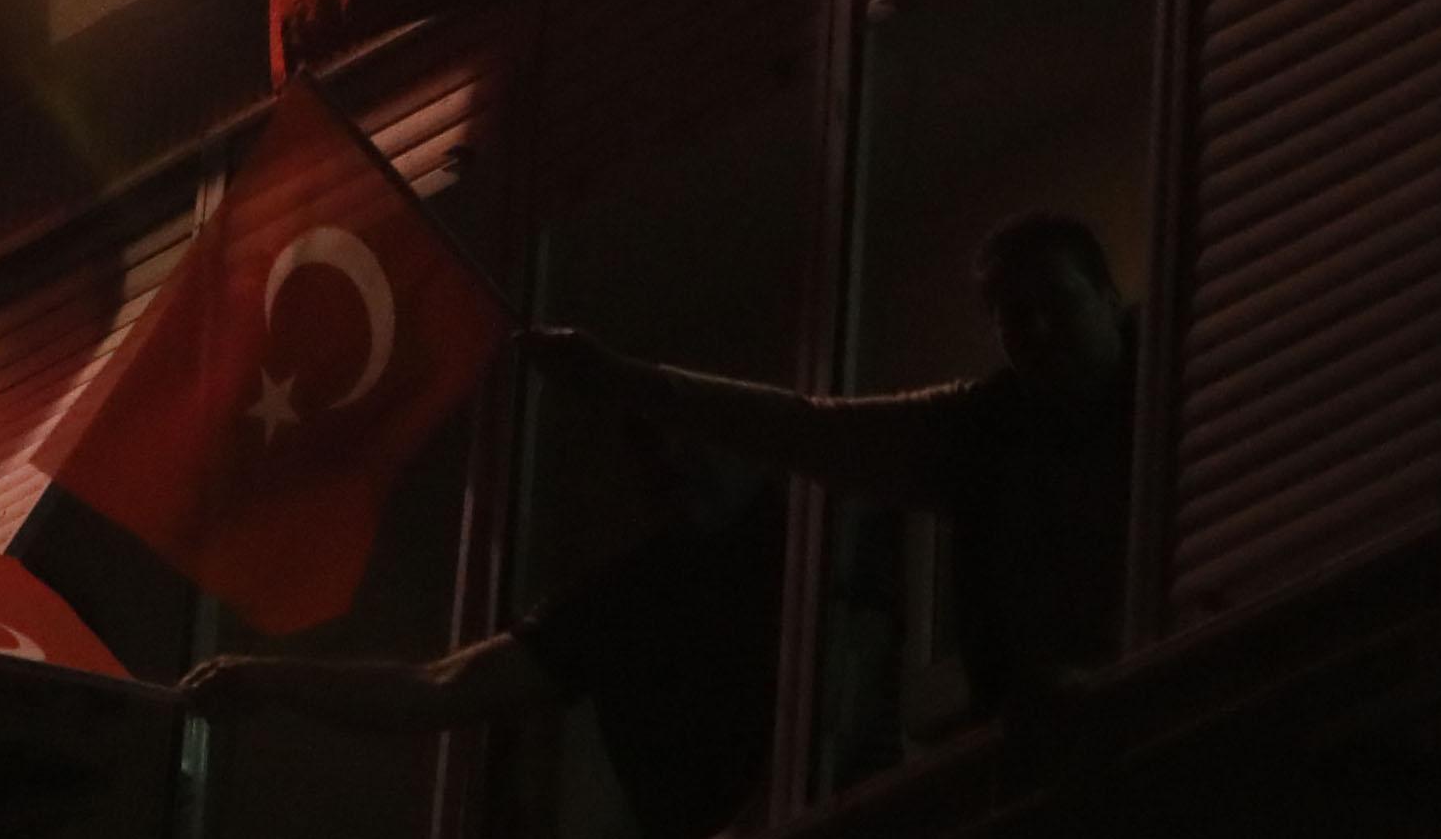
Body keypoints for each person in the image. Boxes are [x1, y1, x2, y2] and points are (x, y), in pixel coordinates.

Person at [176, 213, 1138, 832]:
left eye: (1052, 306)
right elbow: (442, 686)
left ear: (1108, 298)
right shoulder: (630, 601)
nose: (668, 462)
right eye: (644, 448)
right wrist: (271, 678)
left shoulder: (831, 539)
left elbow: (806, 438)